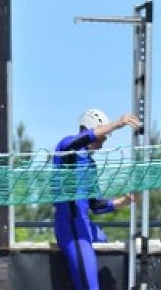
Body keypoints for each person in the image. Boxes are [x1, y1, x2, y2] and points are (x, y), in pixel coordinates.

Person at [53, 108, 141, 290]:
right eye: (104, 133)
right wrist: (117, 124)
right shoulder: (67, 149)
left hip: (84, 224)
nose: (106, 138)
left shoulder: (90, 164)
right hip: (71, 228)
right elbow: (80, 140)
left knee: (101, 236)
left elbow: (96, 205)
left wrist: (124, 201)